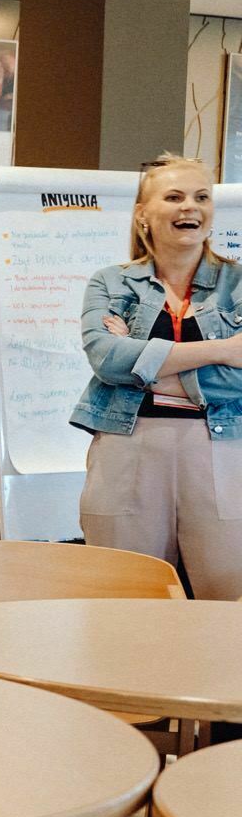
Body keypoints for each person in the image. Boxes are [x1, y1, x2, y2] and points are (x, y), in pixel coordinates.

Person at [73, 152, 242, 600]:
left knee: (228, 603)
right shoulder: (112, 282)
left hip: (224, 448)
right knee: (125, 599)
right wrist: (222, 350)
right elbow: (107, 358)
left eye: (201, 197)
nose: (191, 207)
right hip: (128, 447)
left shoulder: (239, 283)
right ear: (143, 214)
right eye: (174, 196)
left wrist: (151, 368)